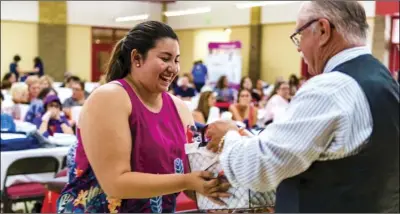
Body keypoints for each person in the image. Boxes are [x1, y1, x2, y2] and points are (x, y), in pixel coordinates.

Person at [205, 1, 399, 213]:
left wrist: (228, 137)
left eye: (300, 35)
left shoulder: (330, 88)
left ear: (323, 30)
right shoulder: (386, 80)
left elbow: (259, 169)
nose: (299, 47)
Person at [57, 21, 229, 213]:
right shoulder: (110, 98)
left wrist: (216, 195)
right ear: (137, 58)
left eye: (177, 60)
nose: (173, 68)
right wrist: (187, 181)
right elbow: (116, 184)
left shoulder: (179, 108)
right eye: (165, 58)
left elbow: (189, 179)